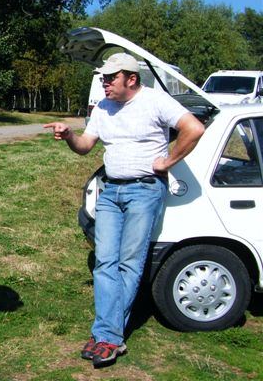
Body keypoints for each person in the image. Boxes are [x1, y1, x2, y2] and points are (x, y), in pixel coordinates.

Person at [44, 53, 205, 368]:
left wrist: (168, 162)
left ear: (131, 78)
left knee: (129, 264)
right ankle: (109, 336)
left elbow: (194, 128)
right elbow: (85, 145)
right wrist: (68, 136)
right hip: (111, 190)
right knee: (105, 262)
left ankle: (106, 336)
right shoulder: (103, 107)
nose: (104, 83)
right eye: (103, 78)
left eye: (109, 77)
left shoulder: (156, 101)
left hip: (144, 190)